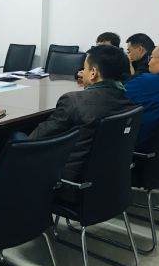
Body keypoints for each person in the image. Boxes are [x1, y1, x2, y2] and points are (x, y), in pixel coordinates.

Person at [24, 45, 136, 183]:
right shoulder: (128, 102)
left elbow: (34, 139)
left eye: (85, 68)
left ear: (93, 73)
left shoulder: (73, 101)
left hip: (68, 180)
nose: (82, 72)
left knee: (16, 137)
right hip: (107, 180)